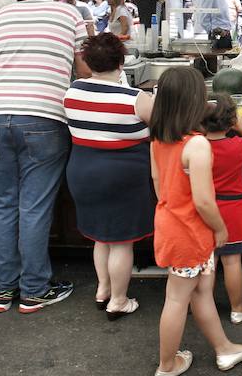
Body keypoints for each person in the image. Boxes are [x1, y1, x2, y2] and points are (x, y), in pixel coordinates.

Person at [0, 0, 90, 314]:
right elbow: (84, 69)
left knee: (2, 204)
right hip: (43, 115)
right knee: (34, 205)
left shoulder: (3, 15)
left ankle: (1, 290)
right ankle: (34, 290)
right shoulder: (70, 14)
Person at [150, 67, 242, 375]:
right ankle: (167, 364)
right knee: (176, 298)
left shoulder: (159, 140)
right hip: (192, 232)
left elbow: (159, 185)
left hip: (170, 225)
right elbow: (203, 200)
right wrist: (220, 228)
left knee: (199, 292)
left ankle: (224, 349)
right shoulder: (195, 145)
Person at [63, 33, 153, 320]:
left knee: (100, 236)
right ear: (121, 61)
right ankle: (118, 299)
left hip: (82, 172)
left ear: (87, 62)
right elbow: (164, 125)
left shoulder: (73, 91)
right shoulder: (135, 99)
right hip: (121, 176)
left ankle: (103, 288)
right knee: (121, 241)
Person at [202, 94, 242, 324]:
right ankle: (237, 307)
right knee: (232, 260)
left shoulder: (196, 146)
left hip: (204, 208)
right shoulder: (237, 146)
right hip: (233, 208)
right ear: (230, 121)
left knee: (208, 260)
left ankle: (204, 307)